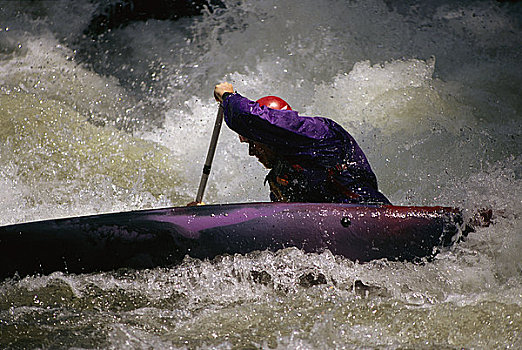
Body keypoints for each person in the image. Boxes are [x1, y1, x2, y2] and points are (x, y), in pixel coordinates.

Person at [214, 82, 391, 205]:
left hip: (368, 212)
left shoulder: (318, 133)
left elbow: (255, 119)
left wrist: (229, 97)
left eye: (253, 143)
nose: (252, 153)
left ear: (271, 135)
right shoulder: (280, 178)